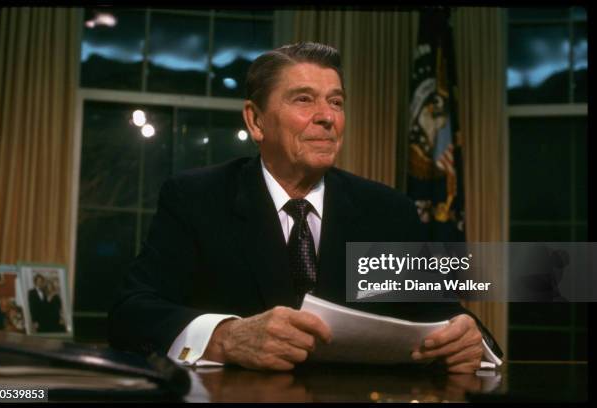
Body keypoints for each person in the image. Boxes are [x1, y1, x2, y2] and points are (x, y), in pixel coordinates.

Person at [109, 42, 502, 373]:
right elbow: (131, 314)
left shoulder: (387, 211)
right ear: (256, 120)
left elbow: (449, 318)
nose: (327, 117)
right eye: (304, 100)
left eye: (336, 102)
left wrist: (470, 341)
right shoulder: (196, 198)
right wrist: (225, 339)